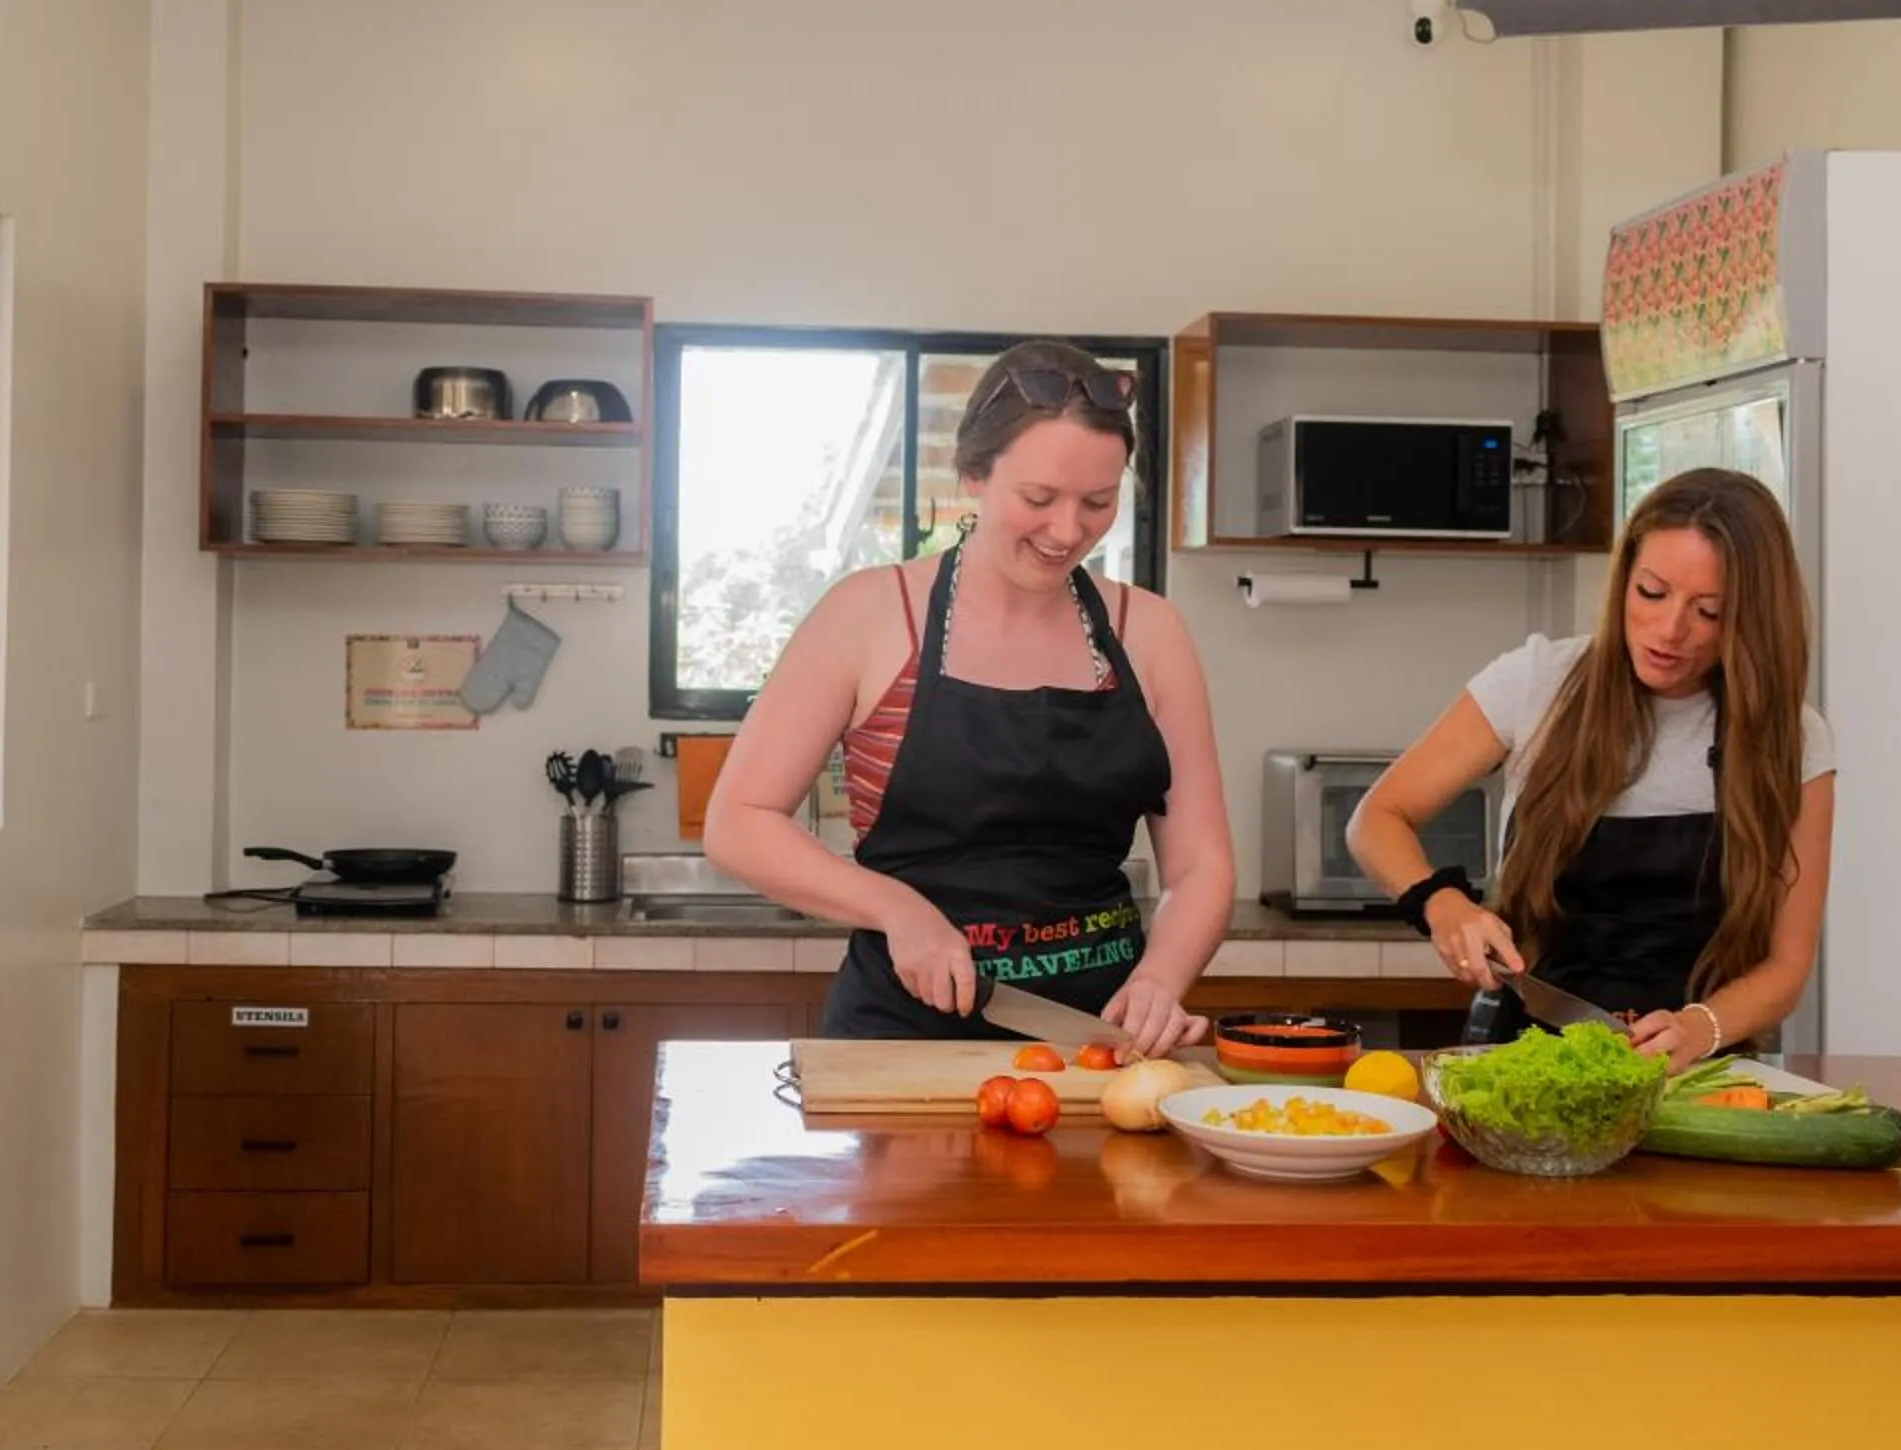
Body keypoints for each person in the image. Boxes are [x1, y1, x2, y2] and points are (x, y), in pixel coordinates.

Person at [703, 341, 1233, 1056]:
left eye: (1098, 503)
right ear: (973, 476)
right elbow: (739, 821)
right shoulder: (870, 614)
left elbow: (1201, 866)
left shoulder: (1151, 632)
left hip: (1095, 1043)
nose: (1068, 531)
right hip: (901, 1041)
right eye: (1039, 499)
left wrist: (1162, 981)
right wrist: (896, 908)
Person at [1346, 468, 1835, 1068]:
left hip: (1701, 1079)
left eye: (1708, 611)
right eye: (1651, 593)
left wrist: (1699, 1029)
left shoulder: (1795, 738)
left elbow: (1786, 965)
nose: (1669, 629)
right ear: (1624, 578)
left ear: (1751, 618)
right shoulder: (1535, 684)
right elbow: (1376, 818)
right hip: (1521, 1060)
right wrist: (1443, 904)